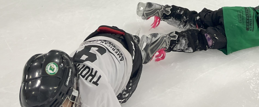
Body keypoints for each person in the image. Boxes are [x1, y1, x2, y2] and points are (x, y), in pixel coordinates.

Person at [19, 25, 164, 107]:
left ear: (71, 91)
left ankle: (144, 49)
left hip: (129, 56)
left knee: (120, 98)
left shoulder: (96, 94)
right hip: (101, 37)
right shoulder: (65, 69)